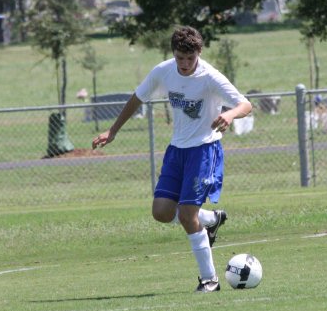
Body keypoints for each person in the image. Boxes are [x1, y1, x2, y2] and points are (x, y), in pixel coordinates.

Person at [92, 26, 253, 292]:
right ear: (174, 53)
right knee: (162, 212)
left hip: (204, 149)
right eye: (180, 58)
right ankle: (210, 220)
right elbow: (137, 98)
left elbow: (246, 105)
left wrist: (229, 115)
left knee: (188, 215)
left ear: (198, 53)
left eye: (190, 58)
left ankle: (209, 280)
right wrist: (113, 130)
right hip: (177, 150)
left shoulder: (210, 76)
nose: (185, 64)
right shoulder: (163, 71)